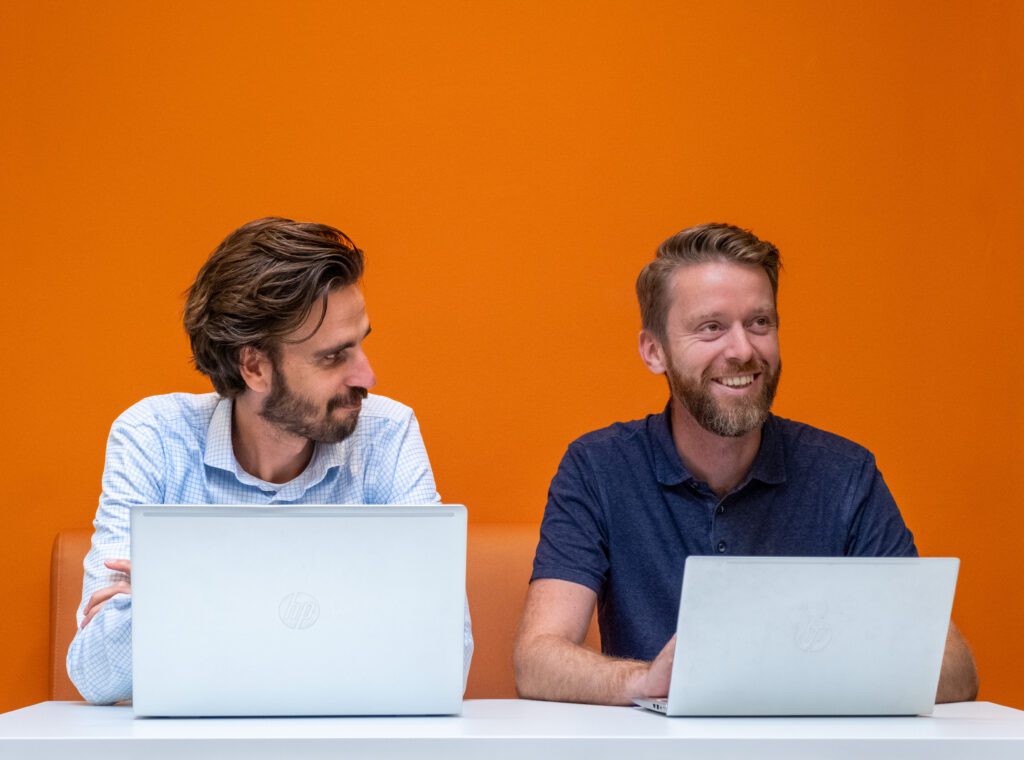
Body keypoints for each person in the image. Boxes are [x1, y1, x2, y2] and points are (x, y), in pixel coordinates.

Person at [513, 222, 977, 705]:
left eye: (760, 323)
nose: (743, 350)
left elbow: (956, 670)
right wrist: (645, 682)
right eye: (711, 327)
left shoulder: (844, 474)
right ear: (654, 351)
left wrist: (778, 680)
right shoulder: (598, 467)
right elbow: (538, 660)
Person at [67, 217, 473, 704]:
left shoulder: (386, 434)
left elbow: (445, 658)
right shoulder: (154, 437)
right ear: (255, 367)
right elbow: (95, 675)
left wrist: (179, 588)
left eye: (362, 342)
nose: (367, 374)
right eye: (333, 356)